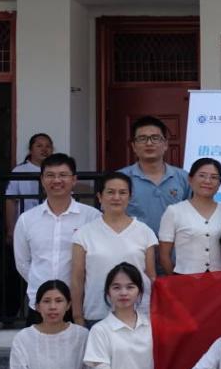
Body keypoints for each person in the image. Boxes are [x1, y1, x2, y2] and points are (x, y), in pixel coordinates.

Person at [14, 153, 100, 323]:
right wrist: (41, 285)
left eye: (63, 175)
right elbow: (23, 263)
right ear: (42, 180)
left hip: (79, 304)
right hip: (40, 304)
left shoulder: (92, 217)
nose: (57, 180)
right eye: (50, 175)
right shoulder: (27, 219)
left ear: (74, 180)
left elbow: (96, 260)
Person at [71, 172, 157, 325]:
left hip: (137, 316)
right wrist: (77, 316)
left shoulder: (145, 232)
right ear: (100, 197)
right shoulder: (84, 233)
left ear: (130, 197)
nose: (116, 197)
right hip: (97, 314)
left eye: (122, 192)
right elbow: (77, 278)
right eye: (110, 192)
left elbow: (151, 276)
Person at [157, 157, 221, 275]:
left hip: (220, 279)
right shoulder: (174, 211)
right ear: (190, 179)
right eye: (202, 175)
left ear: (220, 183)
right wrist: (176, 280)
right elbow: (164, 255)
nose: (207, 181)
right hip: (184, 279)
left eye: (214, 177)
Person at [120, 116, 189, 234]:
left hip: (176, 244)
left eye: (155, 138)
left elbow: (193, 214)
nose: (149, 143)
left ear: (165, 144)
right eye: (142, 138)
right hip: (134, 244)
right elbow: (111, 216)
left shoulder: (183, 178)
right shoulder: (120, 178)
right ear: (134, 146)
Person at [5, 132, 53, 237]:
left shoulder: (57, 170)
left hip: (52, 225)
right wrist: (11, 229)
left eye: (48, 146)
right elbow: (10, 200)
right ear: (31, 150)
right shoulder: (19, 171)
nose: (44, 149)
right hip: (26, 226)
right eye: (39, 146)